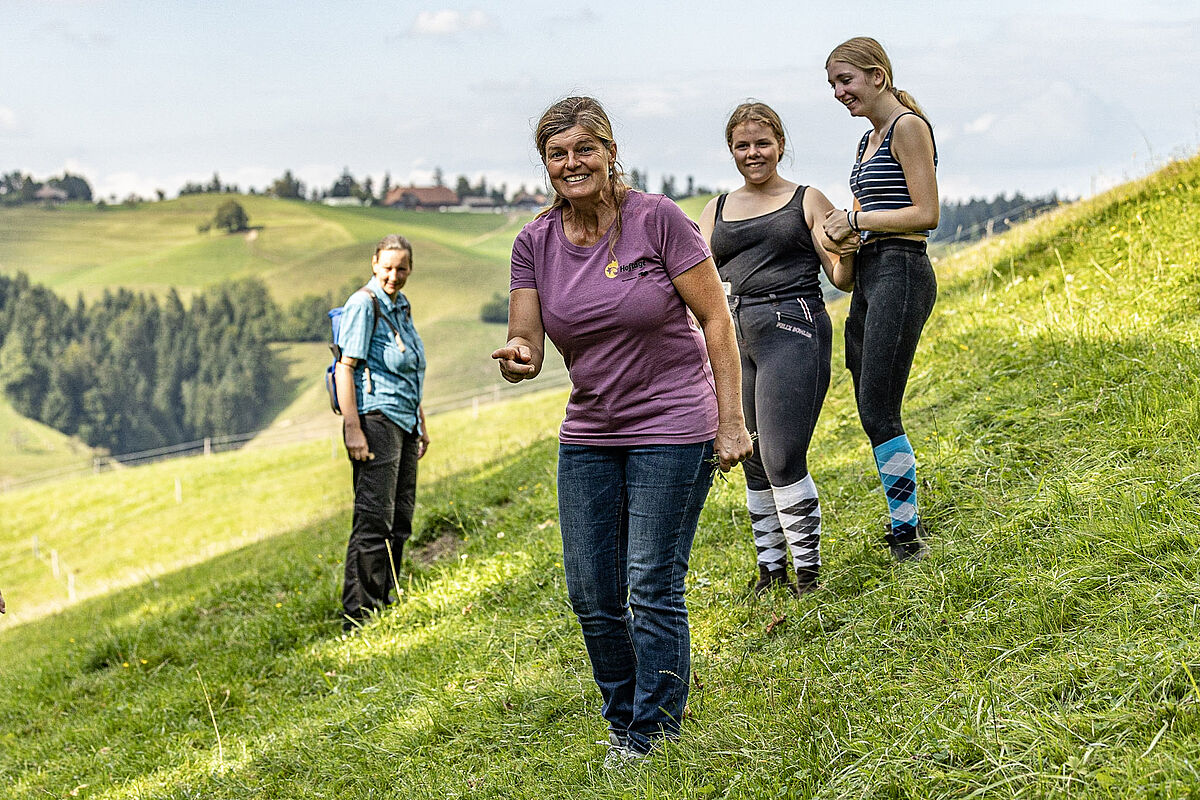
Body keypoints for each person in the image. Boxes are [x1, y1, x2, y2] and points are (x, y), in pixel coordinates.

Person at [491, 96, 753, 764]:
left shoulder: (657, 221)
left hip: (673, 421)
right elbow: (526, 335)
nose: (571, 163)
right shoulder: (534, 244)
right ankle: (624, 723)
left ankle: (654, 734)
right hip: (591, 429)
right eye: (557, 153)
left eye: (583, 149)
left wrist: (731, 422)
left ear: (610, 151)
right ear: (545, 164)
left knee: (652, 584)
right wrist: (521, 357)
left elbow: (717, 320)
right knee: (591, 594)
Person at [699, 102, 854, 596]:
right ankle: (770, 570)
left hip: (795, 327)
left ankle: (808, 575)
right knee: (754, 457)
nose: (753, 153)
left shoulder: (808, 199)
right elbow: (696, 281)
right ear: (731, 151)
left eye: (762, 143)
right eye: (742, 146)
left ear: (780, 145)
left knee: (784, 455)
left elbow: (840, 277)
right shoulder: (714, 210)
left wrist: (848, 251)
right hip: (737, 335)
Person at [822, 37, 939, 562]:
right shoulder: (864, 142)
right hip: (870, 272)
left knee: (879, 407)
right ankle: (902, 522)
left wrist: (856, 221)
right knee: (870, 404)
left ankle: (906, 533)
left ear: (877, 76)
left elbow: (926, 212)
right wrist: (840, 244)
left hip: (903, 268)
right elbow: (853, 233)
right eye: (833, 85)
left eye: (845, 81)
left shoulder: (907, 128)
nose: (839, 93)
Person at [335, 234, 429, 630]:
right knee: (374, 518)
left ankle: (386, 597)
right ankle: (360, 614)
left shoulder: (401, 306)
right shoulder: (364, 304)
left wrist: (421, 419)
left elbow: (408, 367)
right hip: (375, 421)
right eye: (388, 267)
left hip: (404, 419)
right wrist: (353, 428)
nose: (394, 275)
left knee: (401, 516)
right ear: (374, 264)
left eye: (402, 268)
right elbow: (346, 368)